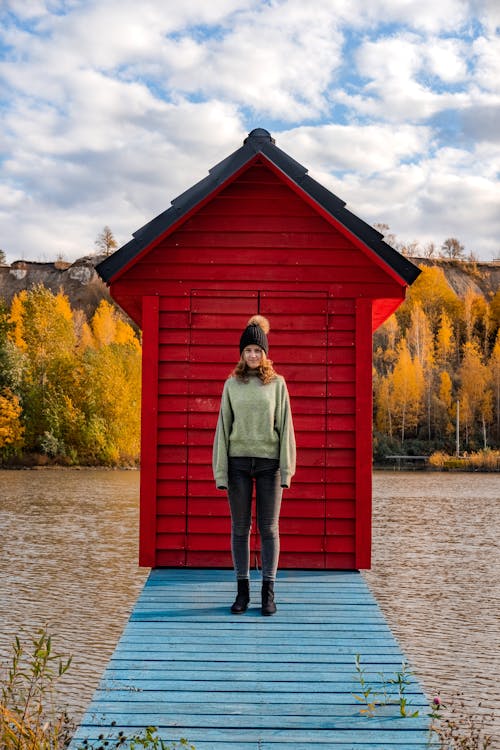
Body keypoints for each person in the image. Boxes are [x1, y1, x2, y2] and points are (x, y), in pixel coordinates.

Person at [212, 315, 296, 616]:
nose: (252, 355)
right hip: (237, 464)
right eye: (248, 350)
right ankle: (242, 592)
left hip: (269, 465)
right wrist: (220, 471)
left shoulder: (277, 385)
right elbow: (223, 428)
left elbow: (286, 428)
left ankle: (268, 594)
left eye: (257, 350)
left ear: (265, 353)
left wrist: (287, 469)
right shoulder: (231, 385)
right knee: (240, 528)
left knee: (269, 528)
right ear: (241, 354)